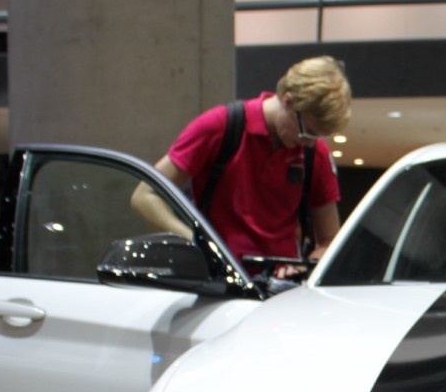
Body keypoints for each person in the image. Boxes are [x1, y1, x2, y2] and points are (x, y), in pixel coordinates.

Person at [131, 55, 352, 271]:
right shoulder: (220, 126)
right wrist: (202, 246)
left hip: (280, 286)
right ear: (288, 101)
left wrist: (304, 267)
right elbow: (145, 195)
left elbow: (328, 241)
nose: (310, 143)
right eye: (308, 132)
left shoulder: (314, 152)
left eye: (318, 136)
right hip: (217, 279)